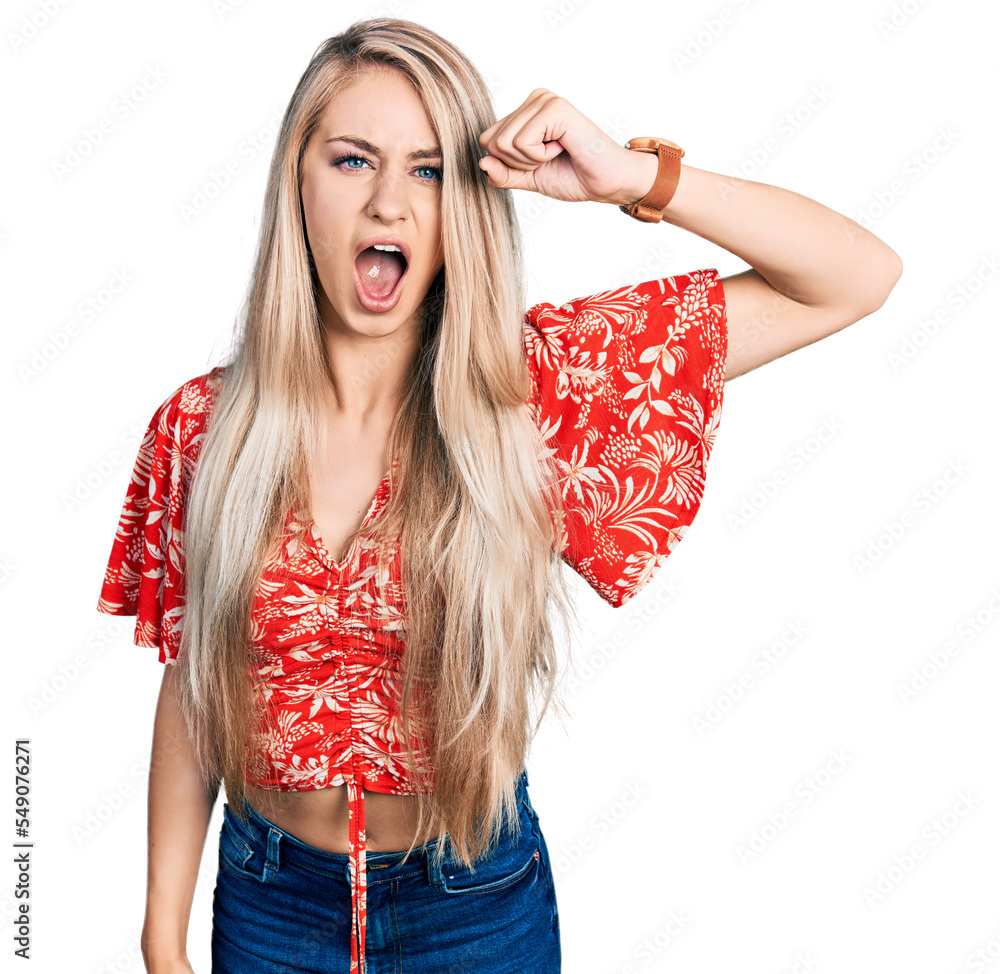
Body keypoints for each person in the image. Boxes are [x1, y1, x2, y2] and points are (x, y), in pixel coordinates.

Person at [94, 16, 902, 974]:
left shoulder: (535, 390)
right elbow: (195, 689)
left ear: (463, 202)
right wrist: (161, 940)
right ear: (297, 182)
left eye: (429, 170)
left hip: (470, 912)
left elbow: (852, 279)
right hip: (270, 908)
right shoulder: (203, 427)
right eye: (354, 161)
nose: (390, 204)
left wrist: (633, 179)